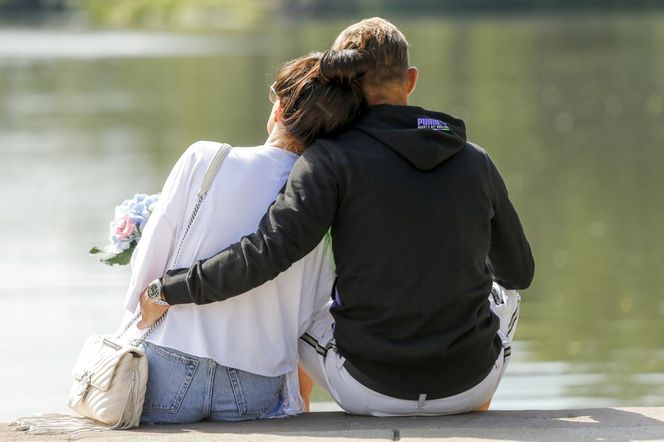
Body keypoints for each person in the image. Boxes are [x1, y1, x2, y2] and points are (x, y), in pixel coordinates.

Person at [140, 17, 535, 416]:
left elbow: (264, 255)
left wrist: (168, 289)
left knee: (303, 312)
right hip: (468, 384)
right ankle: (475, 409)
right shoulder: (475, 159)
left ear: (343, 85)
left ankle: (297, 412)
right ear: (411, 79)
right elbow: (519, 273)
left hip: (369, 390)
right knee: (506, 296)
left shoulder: (329, 161)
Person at [126, 50, 367, 423]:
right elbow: (313, 311)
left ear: (282, 107)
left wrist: (143, 311)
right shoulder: (322, 198)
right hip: (257, 380)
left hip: (171, 366)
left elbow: (147, 269)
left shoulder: (205, 158)